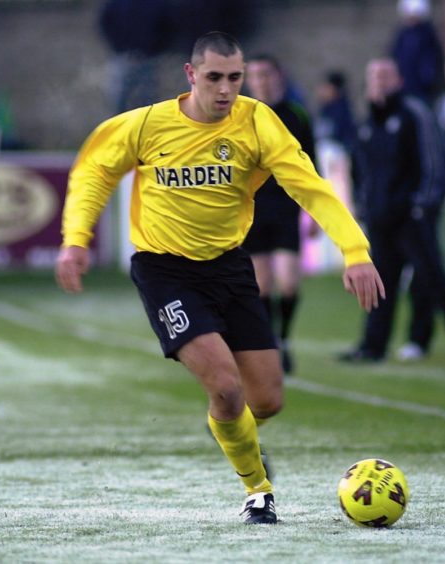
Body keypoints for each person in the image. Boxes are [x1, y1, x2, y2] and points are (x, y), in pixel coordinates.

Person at [55, 32, 384, 525]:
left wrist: (355, 251)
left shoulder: (256, 122)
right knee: (227, 389)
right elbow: (94, 170)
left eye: (235, 77)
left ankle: (227, 426)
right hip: (165, 271)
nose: (226, 89)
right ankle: (258, 491)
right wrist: (76, 238)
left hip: (230, 266)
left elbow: (309, 187)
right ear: (191, 76)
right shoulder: (147, 124)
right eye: (214, 77)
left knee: (266, 399)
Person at [341, 57, 445, 365]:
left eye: (385, 75)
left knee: (432, 277)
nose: (379, 81)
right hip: (380, 217)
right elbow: (358, 169)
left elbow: (435, 160)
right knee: (381, 282)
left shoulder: (414, 113)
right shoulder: (367, 124)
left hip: (411, 215)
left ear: (399, 80)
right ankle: (372, 346)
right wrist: (363, 206)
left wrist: (422, 204)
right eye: (374, 76)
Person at [241, 54, 318, 375]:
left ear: (278, 76)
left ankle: (284, 338)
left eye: (266, 74)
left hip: (286, 208)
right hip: (253, 211)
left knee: (289, 283)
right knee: (262, 287)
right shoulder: (240, 116)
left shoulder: (296, 114)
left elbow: (312, 164)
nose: (261, 80)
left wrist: (314, 210)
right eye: (255, 75)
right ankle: (271, 344)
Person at [98, 0, 171, 113]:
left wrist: (156, 48)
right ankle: (120, 127)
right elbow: (105, 22)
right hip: (123, 56)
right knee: (119, 98)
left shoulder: (157, 4)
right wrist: (117, 47)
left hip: (148, 58)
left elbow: (167, 26)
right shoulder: (116, 4)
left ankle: (145, 127)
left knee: (147, 99)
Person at [390, 0, 445, 104]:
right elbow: (395, 56)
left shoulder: (427, 34)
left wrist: (427, 79)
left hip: (423, 90)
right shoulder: (402, 34)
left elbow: (431, 59)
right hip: (404, 86)